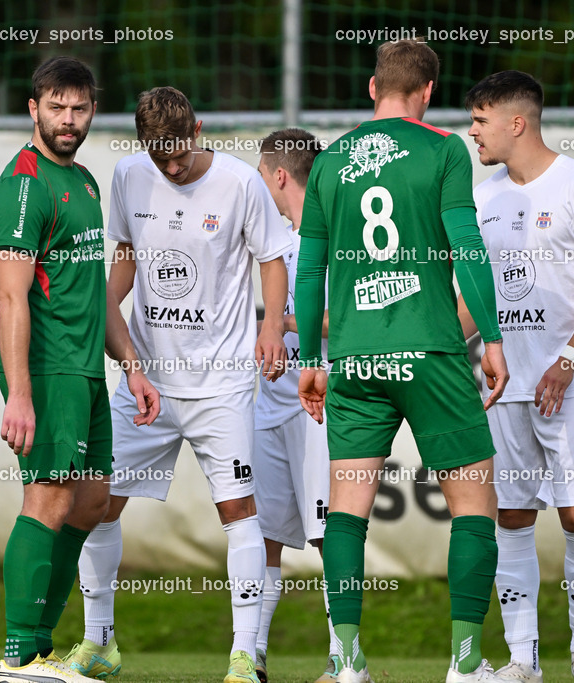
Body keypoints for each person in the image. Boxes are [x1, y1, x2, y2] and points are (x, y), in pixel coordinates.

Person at [294, 39, 511, 683]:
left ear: (371, 89)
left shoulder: (330, 161)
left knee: (347, 509)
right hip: (431, 352)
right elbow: (467, 247)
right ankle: (466, 664)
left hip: (356, 360)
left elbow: (310, 270)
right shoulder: (444, 150)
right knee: (474, 507)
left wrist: (312, 356)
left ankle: (348, 661)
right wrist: (492, 338)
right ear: (427, 94)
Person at [69, 86, 291, 683]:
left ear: (198, 126)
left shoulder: (242, 182)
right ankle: (99, 643)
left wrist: (270, 327)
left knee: (239, 511)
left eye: (179, 153)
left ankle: (246, 655)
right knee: (94, 505)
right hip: (146, 379)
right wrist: (97, 315)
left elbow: (271, 258)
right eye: (158, 156)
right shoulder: (127, 175)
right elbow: (127, 256)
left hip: (220, 382)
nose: (171, 167)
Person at [0, 56, 159, 683]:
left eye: (79, 108)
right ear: (33, 109)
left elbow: (97, 294)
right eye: (55, 107)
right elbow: (10, 297)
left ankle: (38, 646)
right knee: (49, 498)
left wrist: (133, 367)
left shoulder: (85, 182)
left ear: (92, 111)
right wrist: (21, 393)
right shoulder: (23, 185)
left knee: (89, 504)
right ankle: (20, 654)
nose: (68, 119)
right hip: (47, 370)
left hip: (88, 370)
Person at [460, 70, 574, 683]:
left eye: (480, 120)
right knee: (513, 516)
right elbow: (473, 299)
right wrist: (447, 351)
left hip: (572, 381)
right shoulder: (483, 197)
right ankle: (523, 659)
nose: (472, 132)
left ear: (516, 122)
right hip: (504, 384)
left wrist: (569, 359)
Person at [253, 128, 339, 683]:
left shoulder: (337, 235)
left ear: (279, 176)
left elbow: (354, 318)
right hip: (268, 404)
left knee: (331, 532)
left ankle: (342, 656)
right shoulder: (268, 238)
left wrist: (286, 322)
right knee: (261, 533)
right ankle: (251, 653)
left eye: (263, 175)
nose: (260, 185)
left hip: (321, 403)